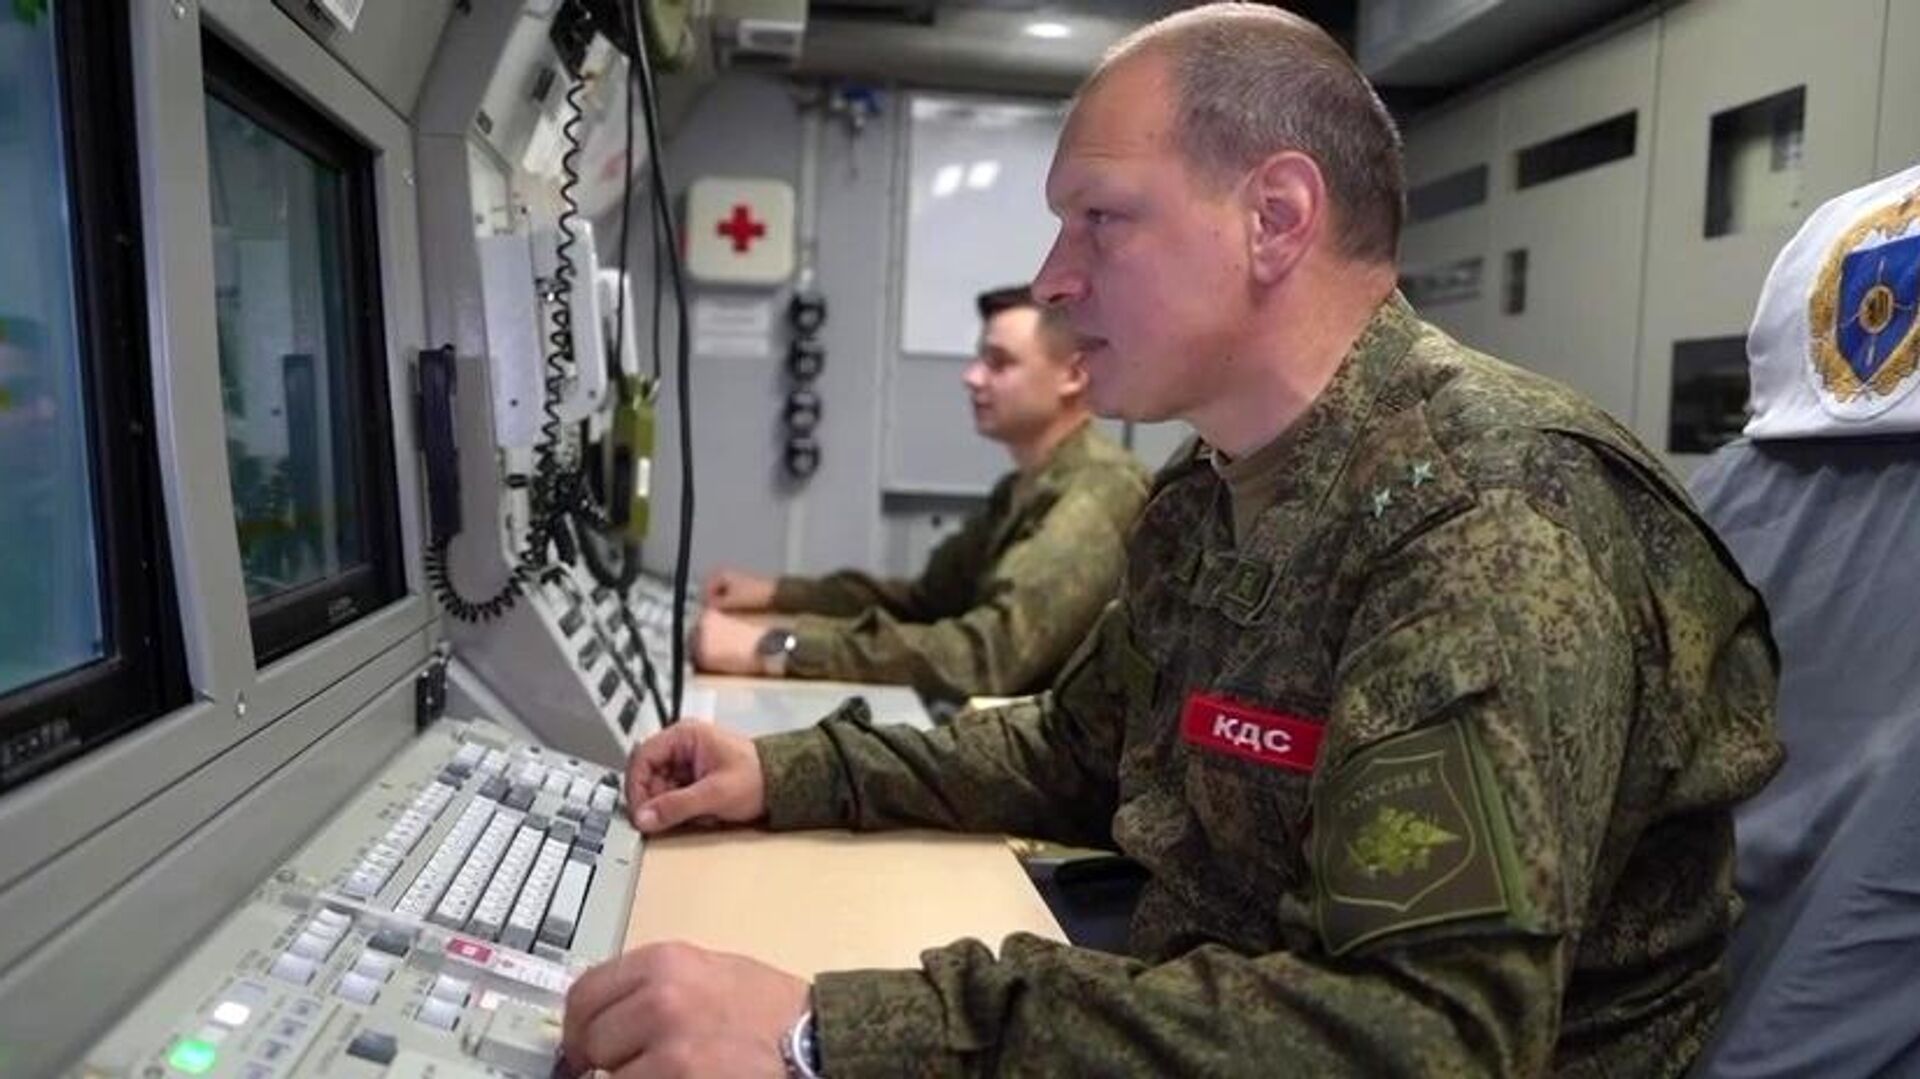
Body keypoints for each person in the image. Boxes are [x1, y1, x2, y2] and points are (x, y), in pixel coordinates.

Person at [562, 5, 1783, 1076]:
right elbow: (1081, 748)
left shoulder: (1487, 517)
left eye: (1099, 218)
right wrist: (790, 771)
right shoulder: (1212, 489)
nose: (1053, 279)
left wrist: (826, 1035)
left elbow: (1417, 1037)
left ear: (1275, 218)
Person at [691, 285, 1149, 704]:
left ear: (1073, 375)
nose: (972, 377)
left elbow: (986, 659)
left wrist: (778, 647)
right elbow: (923, 603)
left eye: (999, 362)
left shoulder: (1100, 491)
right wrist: (777, 594)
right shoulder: (1021, 489)